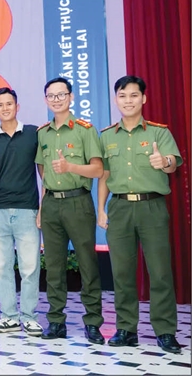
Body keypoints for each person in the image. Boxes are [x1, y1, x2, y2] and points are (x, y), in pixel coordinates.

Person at [97, 75, 183, 354]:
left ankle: (165, 331)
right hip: (119, 208)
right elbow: (104, 175)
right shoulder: (107, 135)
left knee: (160, 272)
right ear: (116, 99)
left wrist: (164, 161)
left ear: (143, 98)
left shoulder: (159, 132)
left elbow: (172, 164)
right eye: (122, 96)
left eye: (134, 95)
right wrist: (100, 209)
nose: (128, 101)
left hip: (152, 207)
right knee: (122, 273)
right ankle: (126, 329)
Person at [35, 77, 104, 344]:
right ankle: (56, 321)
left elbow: (97, 169)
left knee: (87, 263)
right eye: (51, 96)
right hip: (52, 204)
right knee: (54, 266)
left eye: (61, 94)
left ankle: (93, 322)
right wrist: (42, 207)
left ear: (71, 97)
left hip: (78, 201)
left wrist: (70, 168)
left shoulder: (85, 130)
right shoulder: (43, 133)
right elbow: (43, 172)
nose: (56, 100)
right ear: (45, 100)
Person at [0, 87, 43, 336]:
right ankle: (9, 317)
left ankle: (30, 317)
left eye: (9, 104)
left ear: (17, 106)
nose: (5, 108)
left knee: (30, 267)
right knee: (1, 267)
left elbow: (43, 173)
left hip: (27, 209)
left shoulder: (34, 133)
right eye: (0, 105)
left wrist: (42, 207)